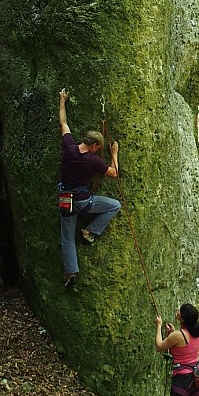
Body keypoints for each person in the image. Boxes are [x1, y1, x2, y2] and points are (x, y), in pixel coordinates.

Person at [58, 88, 121, 288]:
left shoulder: (69, 147)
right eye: (98, 148)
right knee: (114, 205)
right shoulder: (92, 161)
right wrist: (114, 153)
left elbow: (63, 123)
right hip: (83, 201)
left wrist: (62, 101)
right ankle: (90, 231)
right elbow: (114, 173)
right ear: (94, 146)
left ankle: (71, 273)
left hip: (65, 199)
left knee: (66, 237)